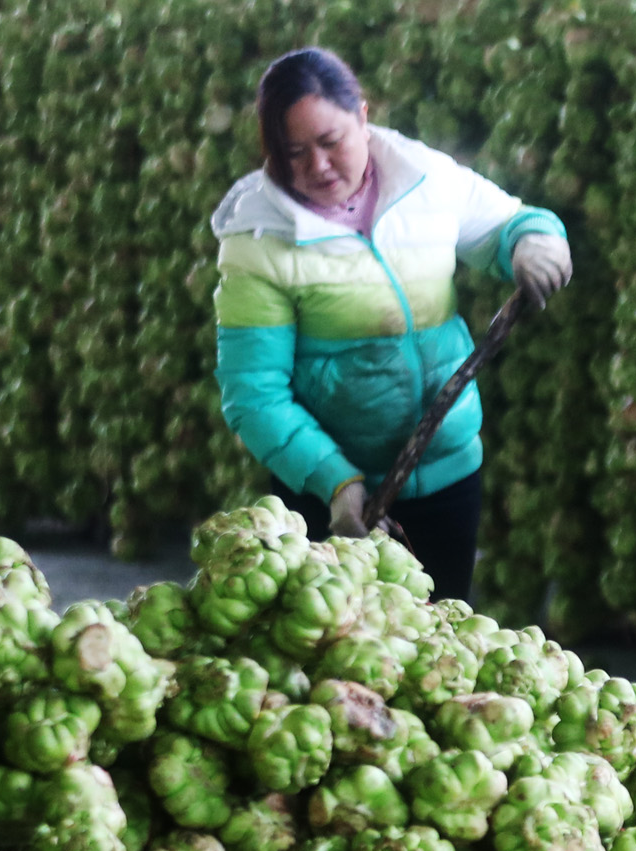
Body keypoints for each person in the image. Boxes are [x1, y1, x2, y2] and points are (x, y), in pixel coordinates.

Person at [210, 46, 573, 601]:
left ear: (362, 114)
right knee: (342, 666)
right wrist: (336, 481)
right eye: (295, 154)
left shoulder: (423, 179)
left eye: (331, 142)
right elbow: (253, 394)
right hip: (329, 500)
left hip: (448, 475)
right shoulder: (259, 242)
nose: (319, 166)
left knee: (445, 650)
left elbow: (507, 221)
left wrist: (534, 241)